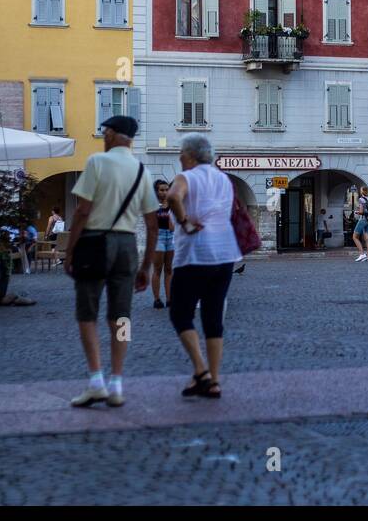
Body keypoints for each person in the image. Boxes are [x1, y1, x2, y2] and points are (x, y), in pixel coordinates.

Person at [65, 114, 159, 408]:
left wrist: (69, 251)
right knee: (121, 316)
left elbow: (82, 211)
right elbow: (153, 224)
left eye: (106, 132)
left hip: (94, 242)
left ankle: (96, 382)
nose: (103, 136)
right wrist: (146, 266)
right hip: (127, 244)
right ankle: (117, 383)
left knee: (87, 313)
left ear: (116, 135)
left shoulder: (97, 162)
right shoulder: (142, 170)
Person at [162, 133, 241, 399]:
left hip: (195, 254)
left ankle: (201, 370)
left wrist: (184, 222)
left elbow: (173, 197)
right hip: (225, 253)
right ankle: (213, 380)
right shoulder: (224, 179)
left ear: (191, 155)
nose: (179, 157)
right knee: (213, 315)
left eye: (181, 153)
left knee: (180, 313)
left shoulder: (187, 176)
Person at [151, 179, 175, 309]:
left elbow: (175, 224)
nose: (165, 192)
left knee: (169, 269)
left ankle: (169, 299)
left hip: (171, 237)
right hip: (158, 237)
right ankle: (157, 299)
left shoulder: (172, 204)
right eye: (162, 190)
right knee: (158, 269)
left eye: (167, 189)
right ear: (156, 191)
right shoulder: (152, 205)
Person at [352, 185, 368, 262]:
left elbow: (361, 212)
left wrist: (356, 212)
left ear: (362, 191)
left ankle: (362, 254)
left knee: (354, 237)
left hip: (363, 220)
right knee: (367, 239)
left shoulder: (361, 199)